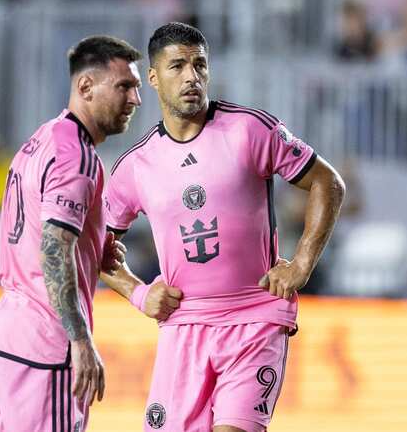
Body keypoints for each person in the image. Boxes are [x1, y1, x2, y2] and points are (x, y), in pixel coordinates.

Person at [101, 22, 346, 432]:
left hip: (254, 318)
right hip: (184, 325)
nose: (191, 76)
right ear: (154, 78)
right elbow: (94, 246)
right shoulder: (136, 166)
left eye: (200, 64)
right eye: (177, 66)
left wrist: (301, 264)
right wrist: (137, 292)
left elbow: (327, 182)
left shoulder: (249, 129)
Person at [0, 35, 145, 432]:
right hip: (44, 345)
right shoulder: (76, 156)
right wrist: (80, 339)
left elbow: (41, 231)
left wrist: (92, 250)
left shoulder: (45, 138)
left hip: (9, 336)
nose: (135, 99)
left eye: (136, 87)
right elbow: (54, 247)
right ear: (85, 87)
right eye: (124, 86)